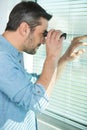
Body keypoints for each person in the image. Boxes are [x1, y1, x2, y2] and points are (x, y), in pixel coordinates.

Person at [0, 1, 87, 130]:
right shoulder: (2, 57)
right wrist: (52, 57)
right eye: (43, 34)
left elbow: (38, 87)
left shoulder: (13, 54)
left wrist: (64, 59)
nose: (44, 41)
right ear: (24, 29)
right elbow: (36, 101)